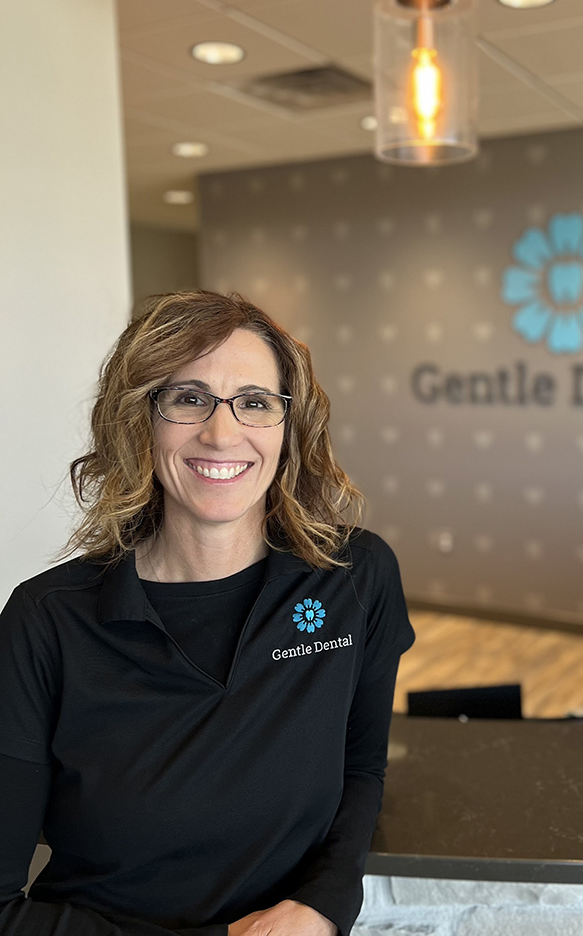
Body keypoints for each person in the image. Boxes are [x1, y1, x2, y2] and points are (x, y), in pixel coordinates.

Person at [0, 291, 414, 935]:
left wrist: (324, 906)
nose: (223, 433)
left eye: (254, 402)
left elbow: (360, 767)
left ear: (288, 424)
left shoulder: (353, 579)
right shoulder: (46, 621)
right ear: (140, 419)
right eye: (188, 398)